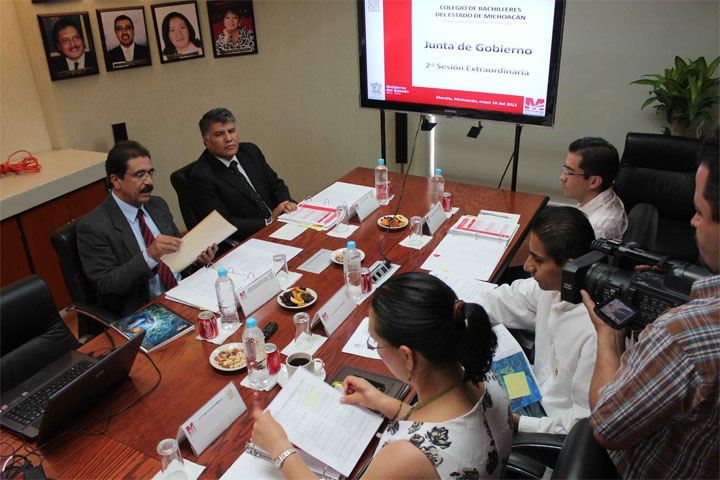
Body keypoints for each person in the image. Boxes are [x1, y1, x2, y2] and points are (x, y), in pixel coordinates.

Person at [251, 272, 513, 479]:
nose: (376, 349)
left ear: (407, 357)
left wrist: (279, 448)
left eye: (376, 343)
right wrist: (385, 403)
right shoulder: (481, 377)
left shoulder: (406, 456)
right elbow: (442, 425)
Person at [584, 140, 719, 478]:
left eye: (700, 212)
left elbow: (606, 427)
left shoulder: (682, 338)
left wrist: (608, 336)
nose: (693, 222)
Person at [470, 206, 597, 434]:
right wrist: (454, 309)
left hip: (547, 424)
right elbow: (503, 299)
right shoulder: (553, 288)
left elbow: (581, 427)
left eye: (537, 259)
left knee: (462, 401)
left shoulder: (595, 334)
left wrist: (519, 423)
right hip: (534, 385)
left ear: (570, 267)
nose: (527, 266)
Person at [77, 140, 217, 316]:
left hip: (185, 292)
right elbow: (107, 285)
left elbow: (178, 250)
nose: (149, 182)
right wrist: (149, 256)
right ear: (116, 180)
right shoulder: (94, 226)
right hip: (148, 310)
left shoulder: (157, 205)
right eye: (140, 175)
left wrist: (198, 257)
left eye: (150, 173)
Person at [189, 108, 297, 242]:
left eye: (231, 131)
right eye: (219, 134)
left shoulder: (250, 151)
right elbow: (223, 224)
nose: (228, 139)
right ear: (206, 140)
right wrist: (269, 222)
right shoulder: (201, 176)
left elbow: (275, 184)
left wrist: (285, 204)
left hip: (280, 223)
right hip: (250, 237)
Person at [561, 137, 627, 240]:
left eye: (570, 172)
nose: (562, 177)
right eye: (565, 169)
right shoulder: (603, 196)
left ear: (594, 182)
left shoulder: (596, 229)